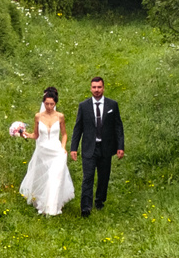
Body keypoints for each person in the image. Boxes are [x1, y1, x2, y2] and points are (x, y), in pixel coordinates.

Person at [68, 75, 124, 216]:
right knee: (88, 177)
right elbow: (78, 128)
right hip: (89, 148)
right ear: (90, 88)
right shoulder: (84, 106)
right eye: (94, 87)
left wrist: (120, 146)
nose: (97, 90)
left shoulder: (112, 105)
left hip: (106, 147)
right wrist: (74, 148)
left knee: (103, 177)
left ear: (103, 88)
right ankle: (85, 207)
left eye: (99, 87)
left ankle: (99, 201)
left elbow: (118, 127)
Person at [18, 86, 75, 217]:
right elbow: (36, 135)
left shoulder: (60, 116)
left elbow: (64, 134)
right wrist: (25, 134)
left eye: (52, 104)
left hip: (57, 151)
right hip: (43, 150)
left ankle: (52, 207)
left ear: (55, 103)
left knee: (55, 177)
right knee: (45, 177)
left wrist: (63, 147)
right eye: (47, 104)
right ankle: (44, 203)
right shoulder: (38, 116)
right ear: (43, 103)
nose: (49, 107)